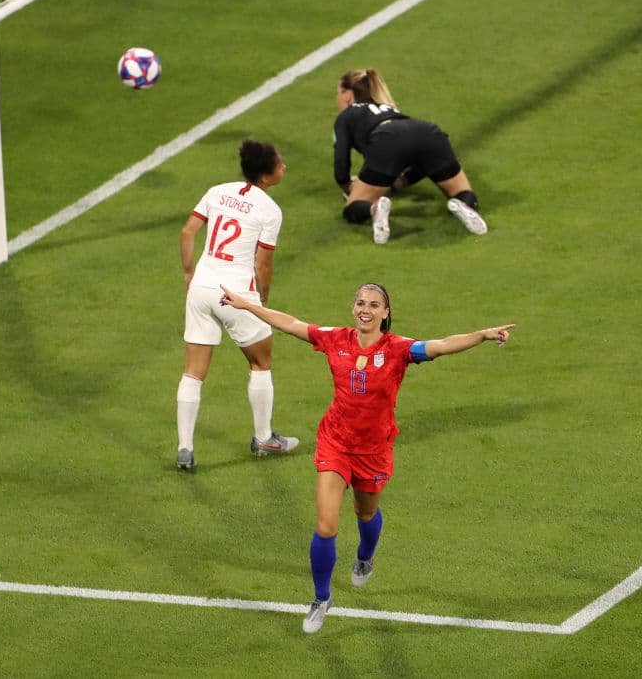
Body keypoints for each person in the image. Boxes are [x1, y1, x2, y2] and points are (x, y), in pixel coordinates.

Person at [218, 282, 515, 633]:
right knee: (326, 525)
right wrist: (247, 306)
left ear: (385, 313)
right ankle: (321, 597)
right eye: (361, 302)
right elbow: (291, 323)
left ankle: (364, 558)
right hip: (335, 444)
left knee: (365, 512)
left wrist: (481, 335)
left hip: (373, 451)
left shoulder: (399, 349)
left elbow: (442, 346)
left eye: (375, 305)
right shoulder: (335, 339)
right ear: (352, 307)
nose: (366, 309)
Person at [174, 140, 299, 471]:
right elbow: (264, 264)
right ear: (267, 173)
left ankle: (185, 447)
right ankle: (264, 439)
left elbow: (188, 232)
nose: (284, 166)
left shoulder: (217, 191)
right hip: (236, 295)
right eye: (280, 162)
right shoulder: (270, 210)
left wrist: (189, 273)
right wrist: (262, 302)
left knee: (193, 371)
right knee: (261, 361)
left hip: (201, 288)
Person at [332, 68, 489, 245]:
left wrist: (347, 186)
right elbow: (421, 164)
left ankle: (374, 208)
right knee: (462, 191)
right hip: (429, 132)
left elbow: (341, 162)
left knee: (351, 210)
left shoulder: (347, 115)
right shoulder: (389, 109)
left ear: (347, 95)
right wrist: (398, 184)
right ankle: (466, 206)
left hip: (389, 139)